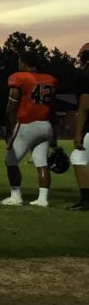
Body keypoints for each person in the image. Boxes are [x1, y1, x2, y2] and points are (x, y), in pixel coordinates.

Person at [0, 51, 58, 207]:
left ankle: (15, 196)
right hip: (45, 125)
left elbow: (11, 107)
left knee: (10, 161)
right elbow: (53, 106)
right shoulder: (49, 79)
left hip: (27, 124)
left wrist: (9, 129)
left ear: (24, 63)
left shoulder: (19, 77)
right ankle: (43, 199)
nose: (18, 65)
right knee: (41, 162)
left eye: (20, 61)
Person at [69, 43, 89, 211]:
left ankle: (87, 200)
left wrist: (77, 134)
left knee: (78, 157)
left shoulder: (85, 75)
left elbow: (84, 107)